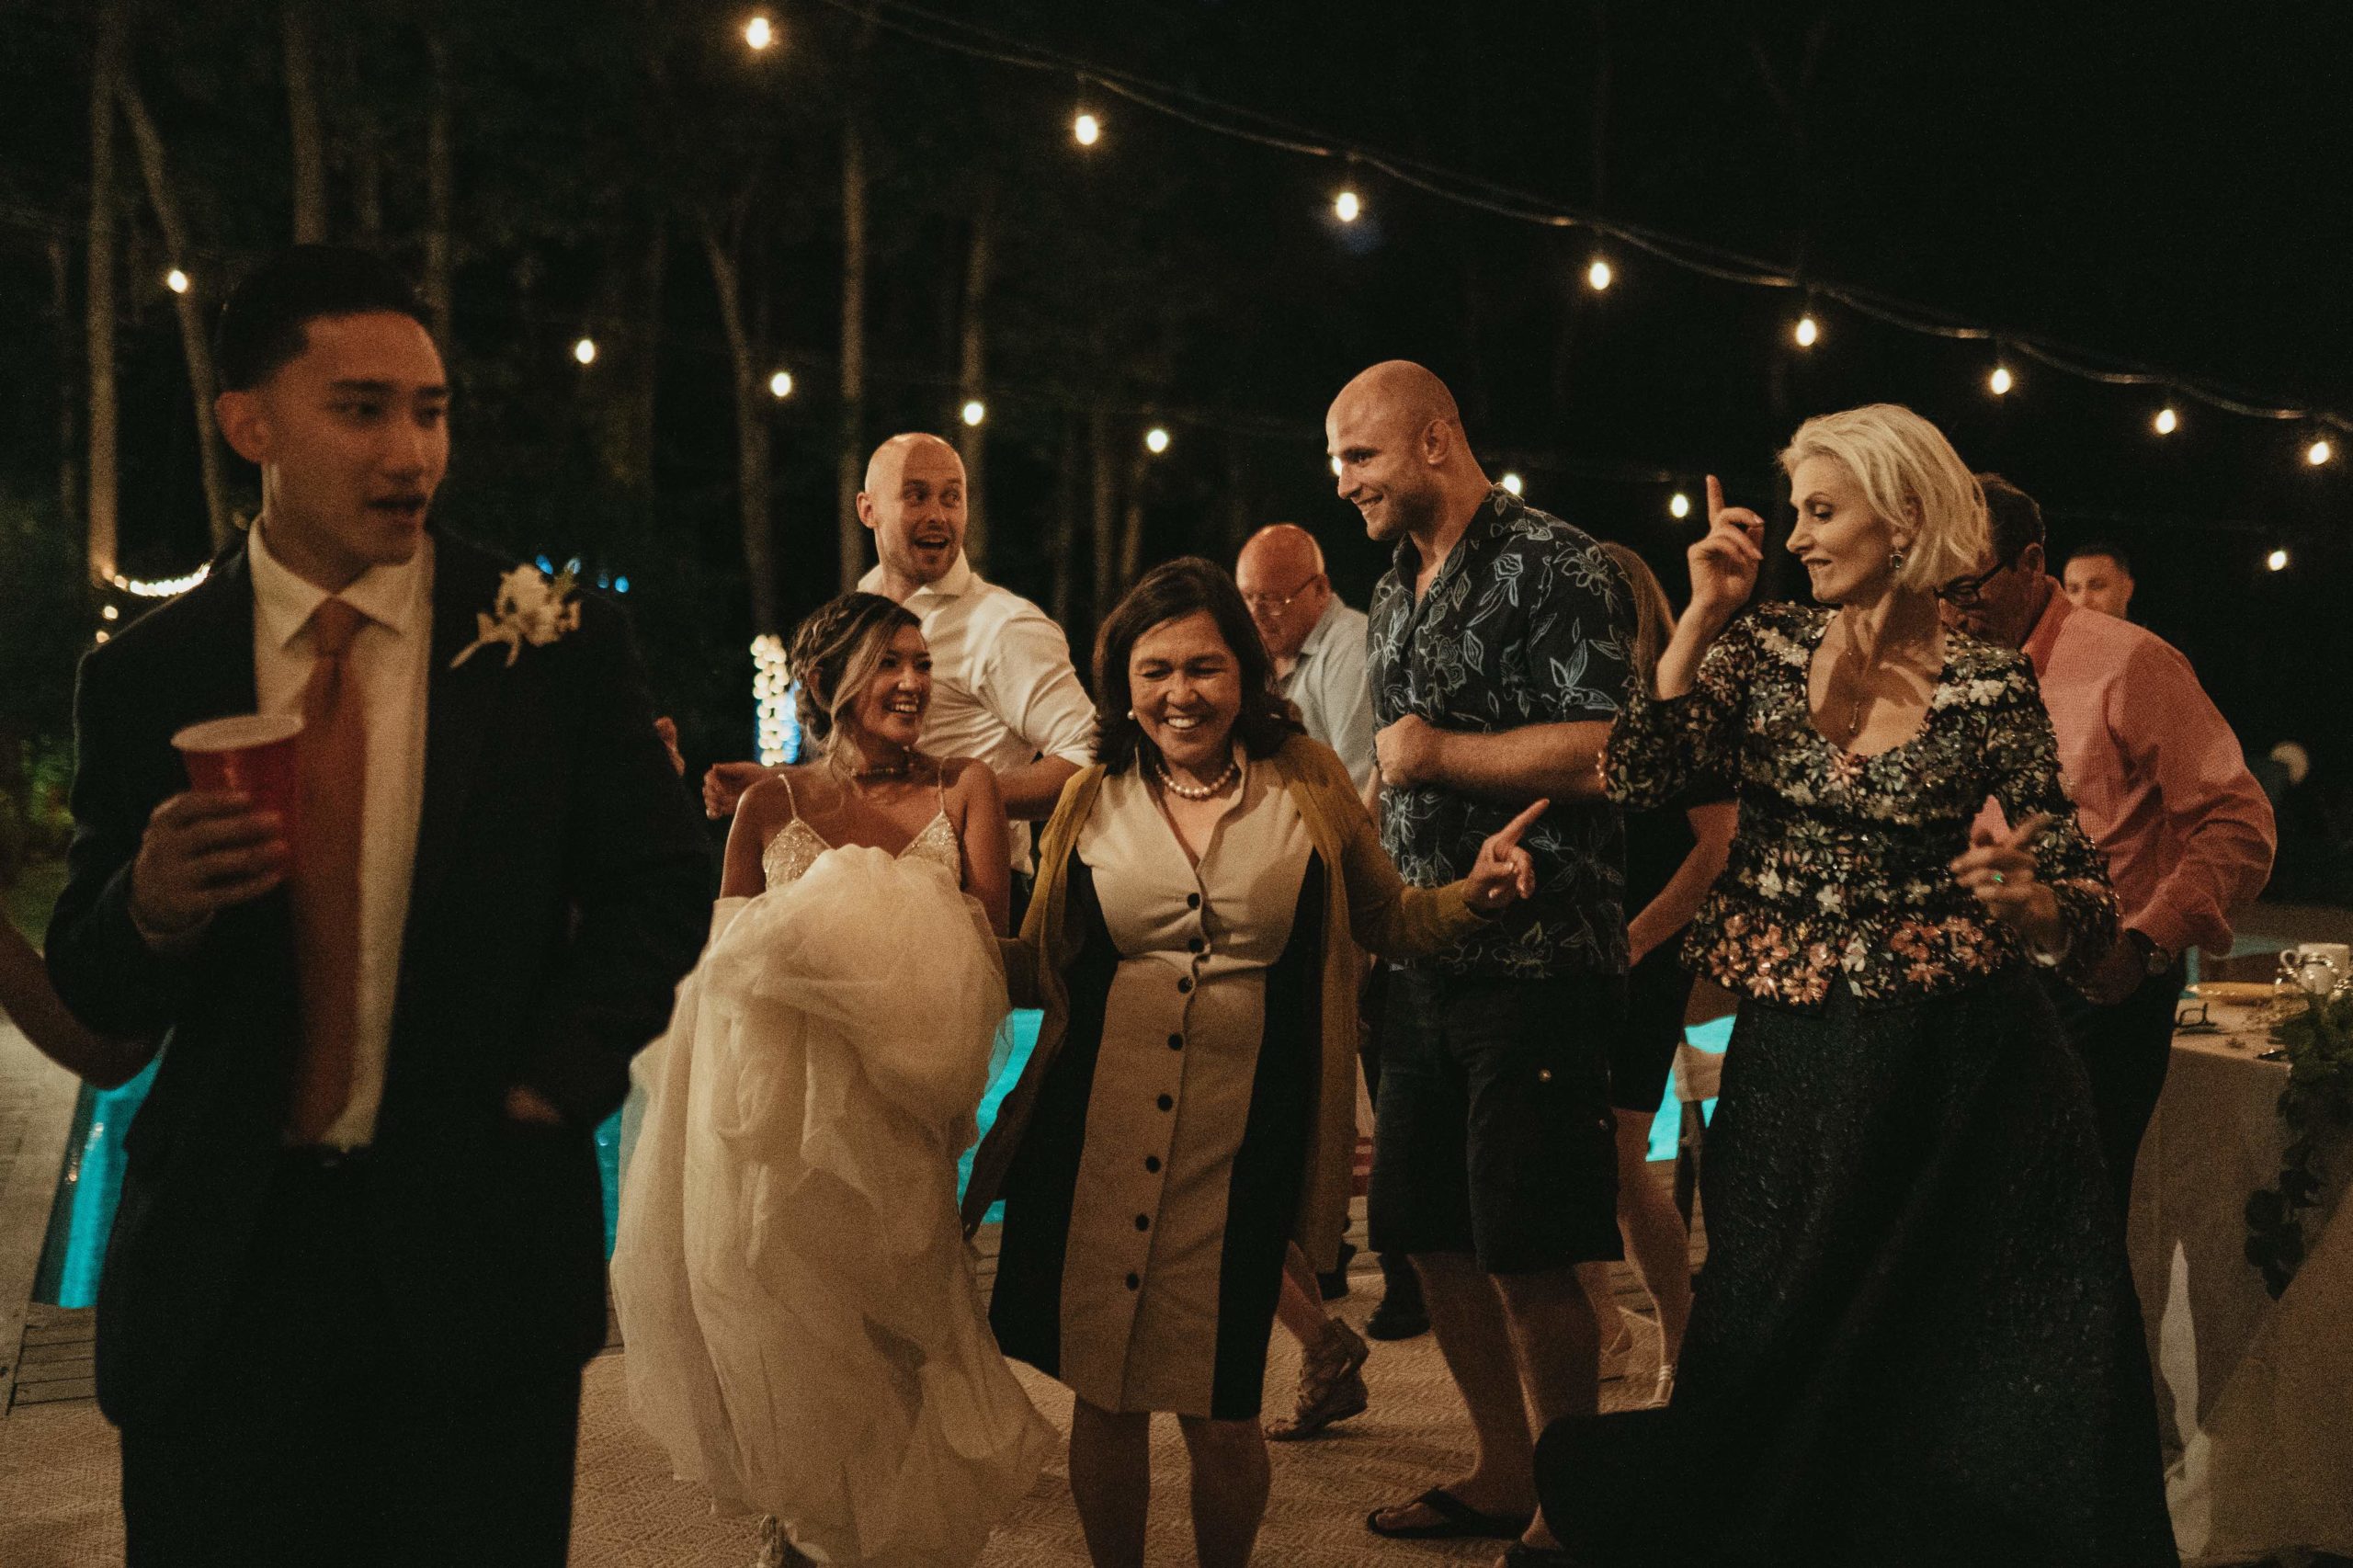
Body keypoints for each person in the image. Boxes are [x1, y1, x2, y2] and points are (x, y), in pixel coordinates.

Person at [41, 245, 711, 1566]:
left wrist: (560, 1077)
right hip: (230, 1263)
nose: (411, 452)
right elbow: (96, 982)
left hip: (477, 1248)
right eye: (362, 409)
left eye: (433, 410)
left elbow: (660, 878)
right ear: (251, 424)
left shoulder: (550, 644)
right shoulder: (146, 674)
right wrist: (151, 906)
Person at [1537, 403, 2175, 1568]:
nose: (1797, 535)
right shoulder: (1765, 647)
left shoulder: (1988, 686)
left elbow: (2075, 882)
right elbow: (1635, 773)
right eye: (1796, 511)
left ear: (1906, 517)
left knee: (1937, 1352)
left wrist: (2033, 904)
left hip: (1951, 1065)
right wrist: (1696, 625)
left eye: (1822, 511)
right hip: (1786, 1054)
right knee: (1766, 1316)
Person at [961, 558, 1545, 1568]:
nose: (1179, 693)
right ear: (1122, 682)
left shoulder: (1308, 778)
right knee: (1105, 1397)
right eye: (1153, 670)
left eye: (1203, 666)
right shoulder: (1087, 795)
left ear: (1245, 672)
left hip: (1244, 1141)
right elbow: (1040, 962)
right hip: (1095, 1135)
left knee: (1220, 1403)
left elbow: (1385, 916)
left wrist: (1475, 894)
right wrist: (906, 932)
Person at [613, 593, 1051, 1568]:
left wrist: (876, 929)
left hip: (906, 1119)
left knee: (906, 1334)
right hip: (782, 1123)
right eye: (887, 662)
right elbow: (723, 976)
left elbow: (989, 965)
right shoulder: (770, 804)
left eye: (920, 660)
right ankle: (805, 1523)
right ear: (827, 684)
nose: (911, 681)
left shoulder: (965, 788)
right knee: (794, 1327)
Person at [1324, 362, 1633, 1564]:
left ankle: (1571, 1502)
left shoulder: (1556, 561)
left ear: (1437, 438)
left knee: (1528, 1242)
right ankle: (1503, 1468)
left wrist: (1442, 752)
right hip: (1429, 954)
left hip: (1542, 960)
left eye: (1359, 456)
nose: (1341, 480)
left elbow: (1612, 747)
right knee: (1421, 1225)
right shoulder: (1394, 583)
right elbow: (1389, 772)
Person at [1942, 475, 2274, 1210]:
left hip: (2097, 979)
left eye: (1966, 588)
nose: (1950, 612)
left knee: (2068, 1231)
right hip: (1983, 975)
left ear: (2032, 564)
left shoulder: (2128, 661)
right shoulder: (1953, 665)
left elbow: (2239, 824)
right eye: (1935, 590)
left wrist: (2147, 943)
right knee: (1982, 1229)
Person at [704, 434, 1096, 887]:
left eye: (952, 498)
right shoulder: (859, 608)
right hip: (854, 886)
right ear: (867, 510)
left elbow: (1087, 758)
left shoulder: (1004, 625)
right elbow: (864, 775)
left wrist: (963, 802)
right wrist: (786, 786)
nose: (938, 515)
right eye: (917, 496)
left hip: (969, 886)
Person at [1236, 521, 1420, 1442]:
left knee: (1249, 1162)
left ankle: (1341, 1313)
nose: (1260, 614)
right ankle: (1321, 1333)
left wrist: (1355, 932)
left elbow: (1358, 793)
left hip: (1326, 915)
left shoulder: (1345, 649)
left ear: (1315, 587)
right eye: (1249, 601)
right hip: (1281, 916)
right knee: (1252, 1165)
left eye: (1272, 598)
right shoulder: (1271, 667)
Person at [1577, 543, 1734, 1410]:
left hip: (1649, 945)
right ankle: (1603, 1323)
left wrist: (1635, 940)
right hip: (1587, 948)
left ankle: (1681, 1331)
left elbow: (1717, 845)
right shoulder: (1577, 702)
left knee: (1621, 1157)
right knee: (1579, 1148)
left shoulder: (1679, 707)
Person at [2062, 538, 2136, 619]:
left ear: (2127, 588)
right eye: (2074, 590)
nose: (2083, 601)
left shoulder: (2144, 632)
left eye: (2097, 586)